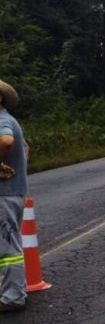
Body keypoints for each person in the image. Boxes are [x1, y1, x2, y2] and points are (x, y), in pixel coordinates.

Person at [0, 79, 28, 312]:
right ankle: (14, 289)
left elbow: (7, 141)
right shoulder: (9, 119)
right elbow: (25, 147)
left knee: (7, 248)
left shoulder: (2, 120)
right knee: (7, 244)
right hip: (12, 193)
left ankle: (13, 297)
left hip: (4, 196)